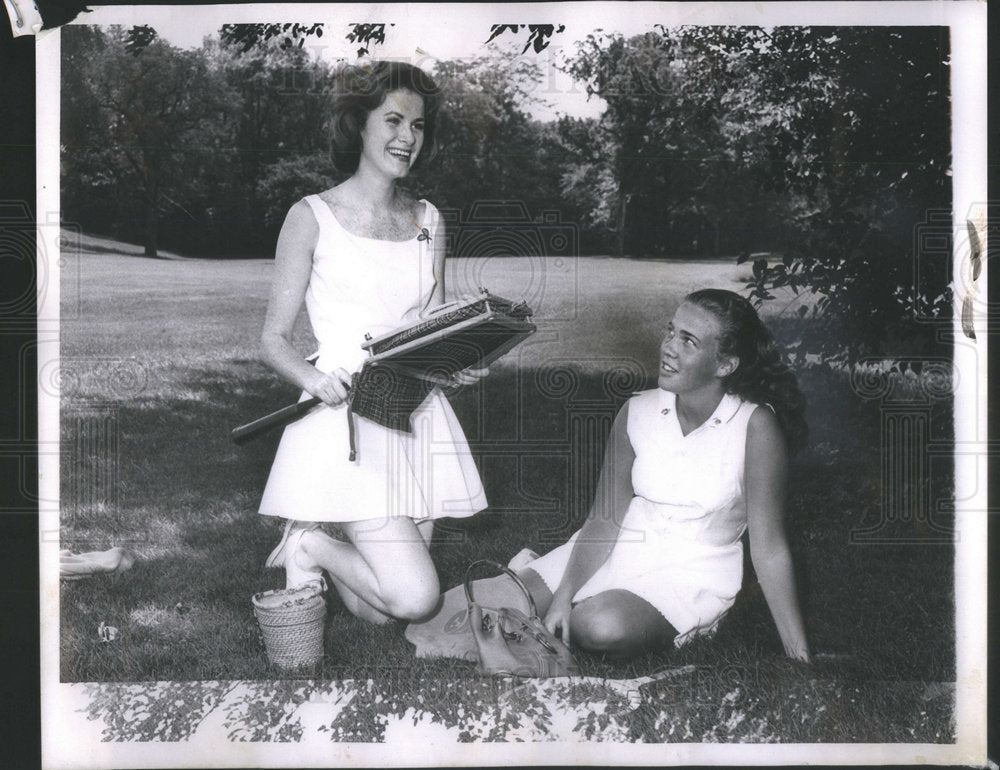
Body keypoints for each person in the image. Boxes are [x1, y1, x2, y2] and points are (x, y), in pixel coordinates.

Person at [258, 61, 488, 625]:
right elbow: (273, 339)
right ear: (358, 124)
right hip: (346, 423)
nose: (408, 138)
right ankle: (307, 542)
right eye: (393, 120)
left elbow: (427, 324)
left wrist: (454, 360)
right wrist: (313, 379)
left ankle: (315, 545)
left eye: (419, 125)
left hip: (414, 413)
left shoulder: (428, 218)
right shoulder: (311, 216)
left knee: (381, 614)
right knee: (415, 599)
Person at [515, 288, 811, 661]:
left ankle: (586, 605)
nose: (669, 347)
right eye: (670, 332)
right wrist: (561, 595)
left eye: (688, 341)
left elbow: (769, 548)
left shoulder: (756, 425)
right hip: (619, 548)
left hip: (690, 574)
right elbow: (604, 521)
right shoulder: (636, 410)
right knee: (469, 614)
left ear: (725, 365)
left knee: (598, 626)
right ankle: (540, 579)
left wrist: (799, 656)